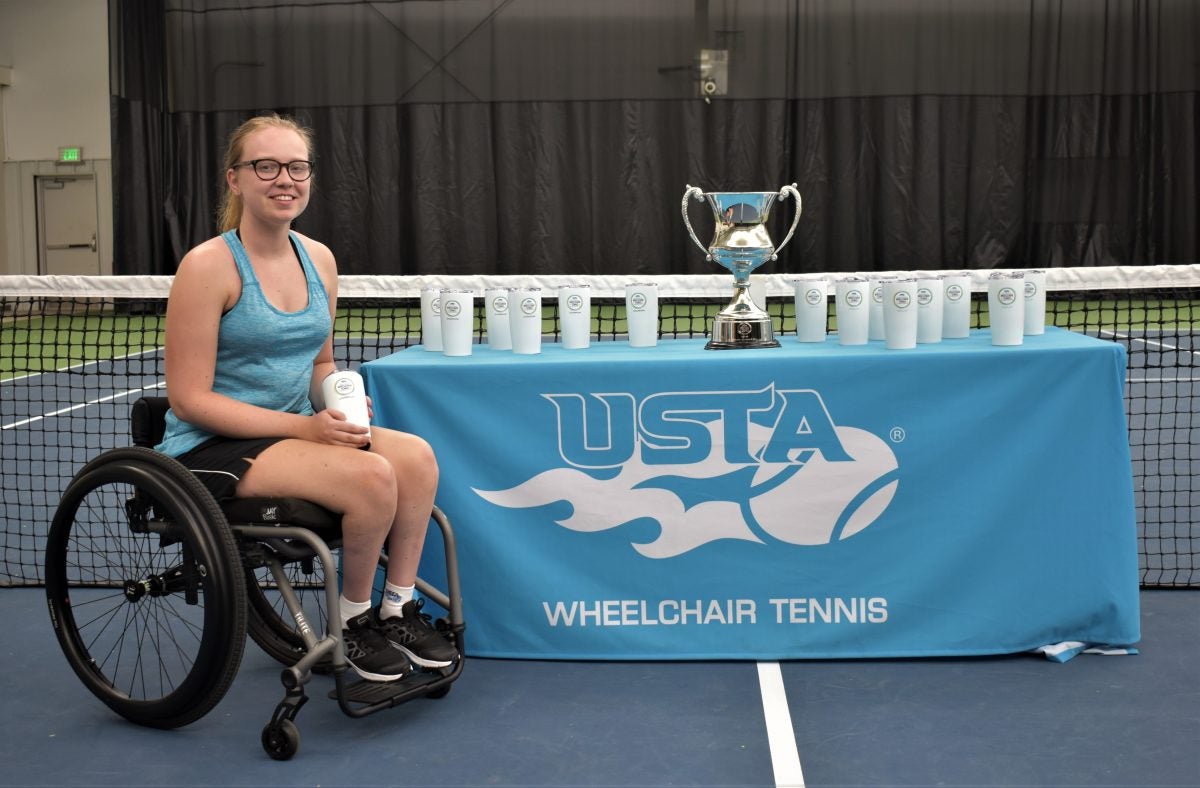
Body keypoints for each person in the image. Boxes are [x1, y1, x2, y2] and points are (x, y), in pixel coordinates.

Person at [156, 114, 456, 682]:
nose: (284, 179)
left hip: (292, 429)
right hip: (213, 445)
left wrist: (337, 400)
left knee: (415, 458)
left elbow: (320, 364)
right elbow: (189, 399)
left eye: (297, 167)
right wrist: (307, 430)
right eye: (264, 166)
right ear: (235, 179)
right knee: (371, 479)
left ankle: (396, 608)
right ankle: (355, 622)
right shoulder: (207, 267)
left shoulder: (319, 259)